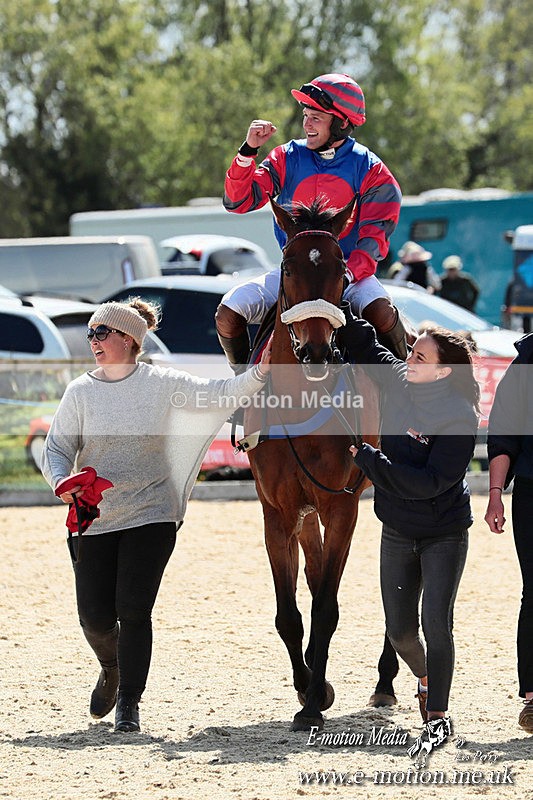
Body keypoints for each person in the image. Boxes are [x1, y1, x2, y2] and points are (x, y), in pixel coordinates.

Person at [41, 299, 271, 733]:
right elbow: (57, 448)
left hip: (153, 511)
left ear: (129, 339)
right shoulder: (80, 391)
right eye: (91, 334)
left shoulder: (163, 383)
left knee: (134, 609)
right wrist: (60, 481)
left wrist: (260, 370)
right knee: (94, 616)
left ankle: (129, 703)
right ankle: (112, 667)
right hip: (95, 514)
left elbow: (220, 395)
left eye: (101, 333)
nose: (93, 341)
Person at [338, 317, 479, 750]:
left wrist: (372, 462)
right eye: (411, 352)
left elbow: (431, 483)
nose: (409, 359)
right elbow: (367, 347)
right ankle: (426, 676)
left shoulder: (460, 416)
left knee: (436, 624)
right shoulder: (400, 380)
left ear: (443, 371)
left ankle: (437, 714)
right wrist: (340, 308)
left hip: (444, 532)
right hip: (397, 529)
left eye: (420, 356)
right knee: (399, 632)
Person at [216, 73, 409, 372]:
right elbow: (238, 202)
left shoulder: (372, 170)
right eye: (306, 115)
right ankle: (243, 381)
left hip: (349, 275)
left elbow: (373, 242)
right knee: (228, 313)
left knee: (383, 314)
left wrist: (344, 277)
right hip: (296, 273)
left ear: (341, 123)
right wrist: (247, 152)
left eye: (316, 118)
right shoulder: (285, 156)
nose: (307, 124)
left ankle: (405, 386)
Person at [484, 332, 533, 734]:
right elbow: (503, 436)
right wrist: (496, 493)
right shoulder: (525, 364)